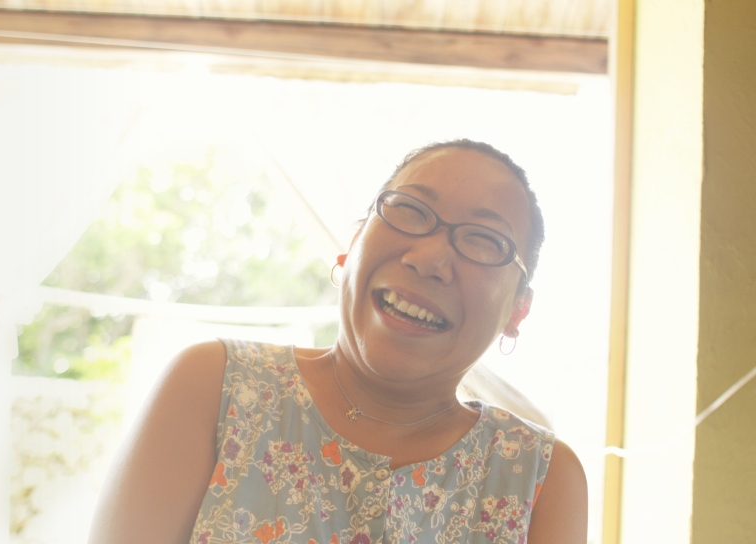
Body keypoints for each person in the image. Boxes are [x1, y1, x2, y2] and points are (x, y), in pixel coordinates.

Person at [88, 139, 587, 544]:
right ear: (351, 246)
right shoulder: (217, 388)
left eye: (484, 240)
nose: (430, 258)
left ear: (518, 310)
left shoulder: (539, 478)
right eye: (410, 210)